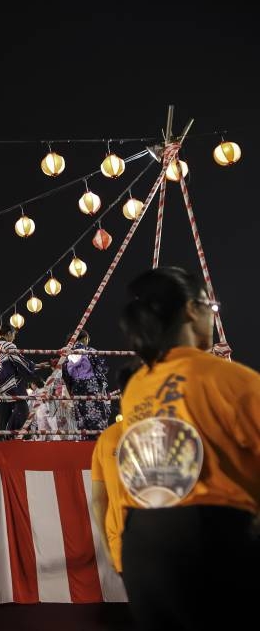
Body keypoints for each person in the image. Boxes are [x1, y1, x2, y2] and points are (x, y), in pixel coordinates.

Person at [118, 266, 260, 630]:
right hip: (212, 542)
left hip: (143, 544)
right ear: (190, 310)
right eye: (210, 307)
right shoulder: (228, 377)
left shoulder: (138, 386)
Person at [89, 364, 138, 575]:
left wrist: (108, 549)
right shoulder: (166, 430)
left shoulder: (108, 438)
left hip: (121, 540)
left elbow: (98, 500)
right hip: (164, 539)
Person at [0, 326, 43, 434]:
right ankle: (25, 438)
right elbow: (19, 361)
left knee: (3, 417)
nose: (14, 337)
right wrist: (33, 369)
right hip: (9, 383)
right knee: (23, 410)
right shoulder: (9, 345)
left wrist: (36, 365)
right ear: (9, 333)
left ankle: (1, 440)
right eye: (13, 334)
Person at [62, 330, 111, 439]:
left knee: (81, 418)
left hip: (76, 387)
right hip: (91, 386)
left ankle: (85, 442)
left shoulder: (66, 355)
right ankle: (98, 443)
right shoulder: (90, 351)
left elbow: (65, 374)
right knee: (97, 417)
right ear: (84, 339)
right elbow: (103, 367)